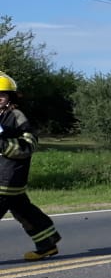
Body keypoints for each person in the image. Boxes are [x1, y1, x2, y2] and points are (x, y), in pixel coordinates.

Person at [0, 73, 63, 261]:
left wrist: (3, 144)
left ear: (10, 97)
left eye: (2, 95)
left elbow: (29, 145)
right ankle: (47, 244)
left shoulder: (16, 116)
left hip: (8, 178)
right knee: (24, 211)